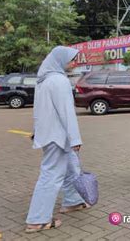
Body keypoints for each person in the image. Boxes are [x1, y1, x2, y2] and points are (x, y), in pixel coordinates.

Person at [26, 46, 89, 233]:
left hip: (49, 135)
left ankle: (72, 201)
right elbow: (67, 113)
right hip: (58, 136)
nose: (74, 62)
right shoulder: (59, 81)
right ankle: (37, 220)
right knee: (51, 176)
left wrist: (36, 130)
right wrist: (75, 139)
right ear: (60, 60)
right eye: (71, 59)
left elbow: (38, 110)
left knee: (71, 168)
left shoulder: (43, 80)